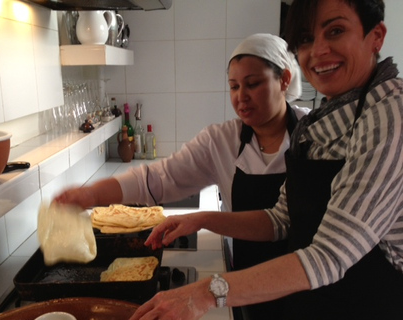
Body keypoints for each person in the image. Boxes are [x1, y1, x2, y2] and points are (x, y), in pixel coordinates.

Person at [133, 0, 403, 319]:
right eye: (305, 39)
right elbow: (280, 220)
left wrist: (206, 293)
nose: (317, 51)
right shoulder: (319, 124)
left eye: (336, 31)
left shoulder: (390, 115)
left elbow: (329, 256)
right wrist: (202, 219)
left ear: (376, 36)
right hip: (310, 304)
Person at [55, 33, 308, 319]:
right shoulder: (221, 141)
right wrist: (91, 195)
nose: (241, 97)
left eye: (253, 84)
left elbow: (285, 224)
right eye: (234, 86)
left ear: (284, 80)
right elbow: (158, 178)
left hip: (308, 284)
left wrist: (201, 220)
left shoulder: (317, 136)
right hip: (243, 281)